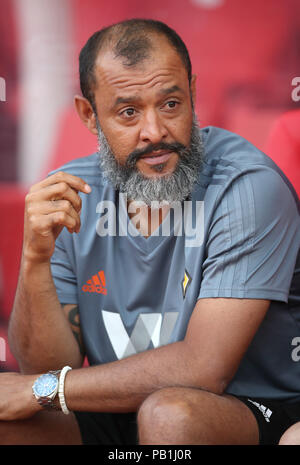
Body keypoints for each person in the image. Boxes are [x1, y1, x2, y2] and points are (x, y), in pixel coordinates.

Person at [0, 18, 299, 446]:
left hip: (248, 410)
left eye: (171, 103)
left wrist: (41, 390)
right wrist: (34, 260)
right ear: (89, 115)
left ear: (193, 94)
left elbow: (203, 368)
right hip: (122, 408)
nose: (155, 131)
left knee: (169, 417)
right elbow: (47, 368)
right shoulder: (71, 193)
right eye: (128, 112)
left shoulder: (247, 186)